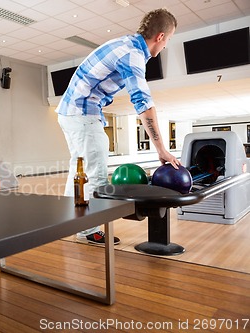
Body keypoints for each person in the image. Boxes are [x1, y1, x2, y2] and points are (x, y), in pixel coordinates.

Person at [55, 8, 181, 245]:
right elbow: (143, 105)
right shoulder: (132, 55)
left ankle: (70, 221)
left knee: (79, 169)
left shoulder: (126, 44)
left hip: (72, 112)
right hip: (82, 112)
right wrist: (161, 150)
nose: (166, 46)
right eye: (169, 40)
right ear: (161, 36)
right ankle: (86, 229)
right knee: (96, 174)